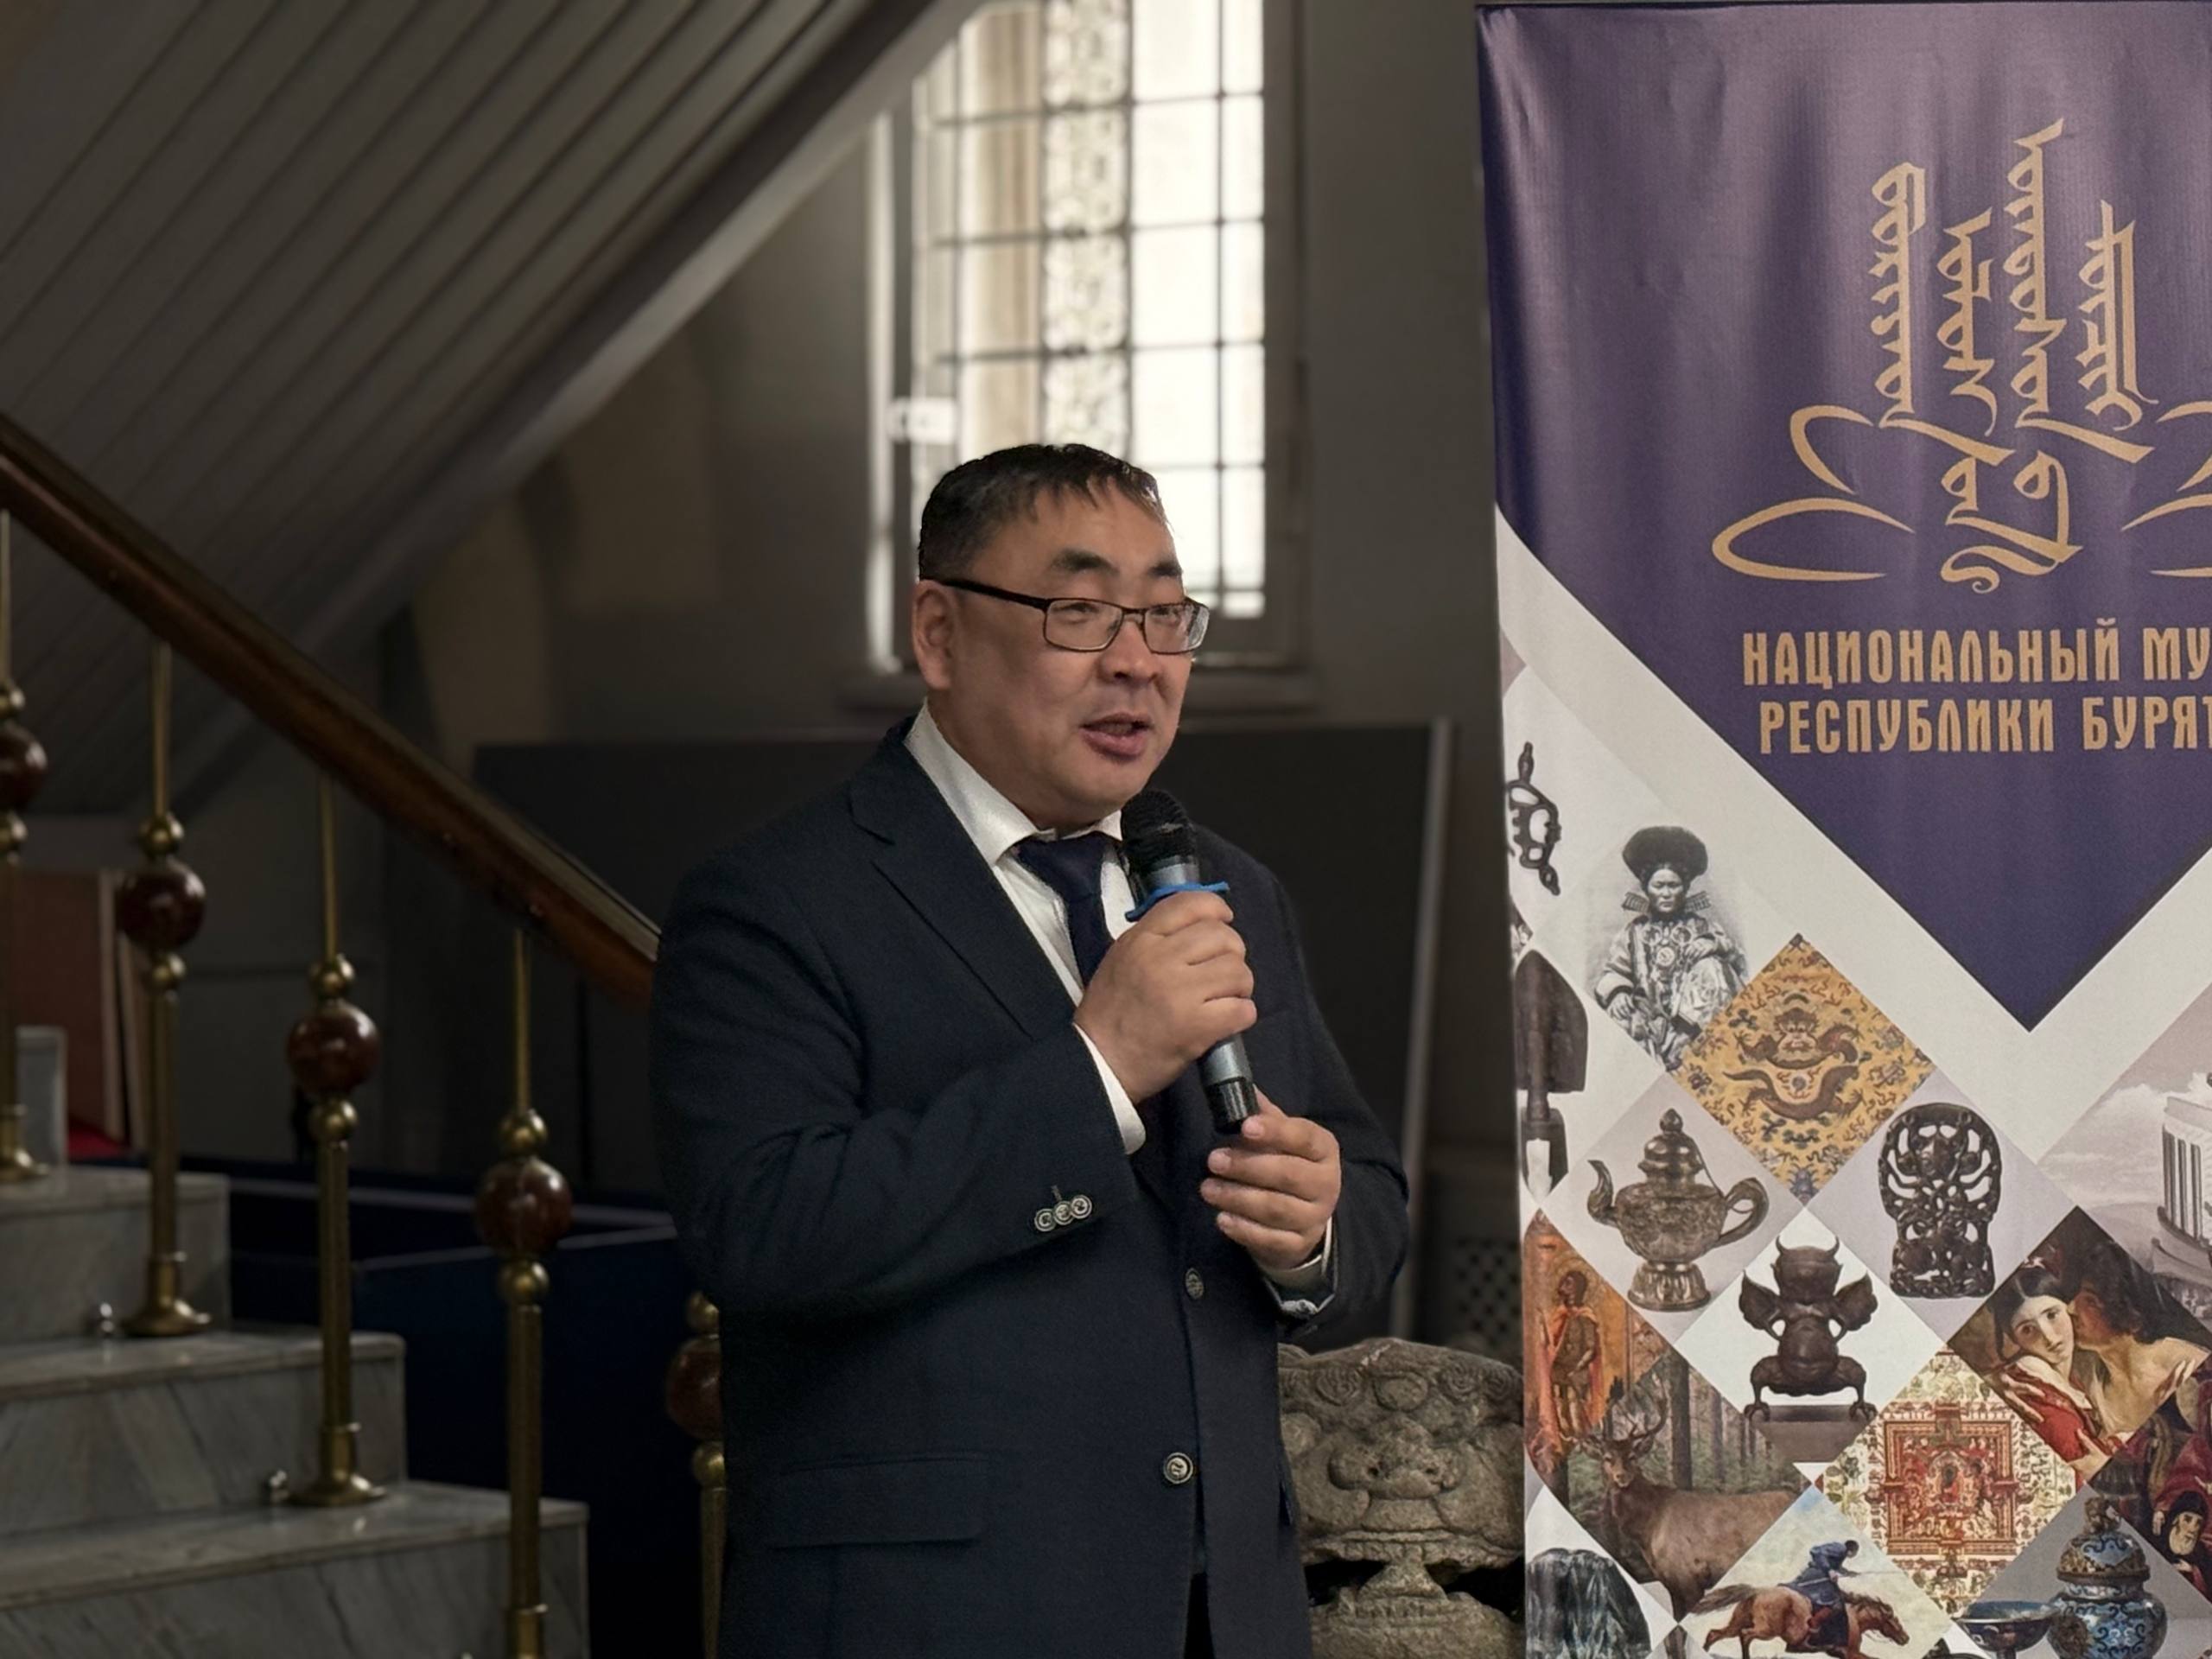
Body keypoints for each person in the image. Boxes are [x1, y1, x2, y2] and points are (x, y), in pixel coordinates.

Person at [650, 444, 1409, 1659]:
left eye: (1165, 615)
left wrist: (1311, 1231)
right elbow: (763, 1227)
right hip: (938, 1617)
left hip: (1224, 1614)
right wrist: (1096, 1069)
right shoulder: (776, 902)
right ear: (939, 633)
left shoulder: (1230, 890)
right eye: (1080, 611)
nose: (1137, 661)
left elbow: (1369, 1190)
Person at [1591, 826, 1745, 1070]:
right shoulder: (1634, 932)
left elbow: (1737, 964)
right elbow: (1614, 971)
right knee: (1620, 1015)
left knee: (1713, 965)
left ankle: (1689, 1051)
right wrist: (1617, 993)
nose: (1666, 894)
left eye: (1673, 886)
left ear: (1685, 888)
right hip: (1649, 1023)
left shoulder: (1702, 927)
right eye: (1659, 886)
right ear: (1646, 889)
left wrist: (1714, 945)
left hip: (1694, 1027)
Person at [1986, 1265, 2118, 1478]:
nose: (2048, 1337)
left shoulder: (2074, 1378)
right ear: (2015, 1340)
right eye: (2027, 1329)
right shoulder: (2029, 1391)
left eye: (2052, 1315)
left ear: (2069, 1308)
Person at [1785, 1539, 1859, 1654]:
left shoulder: (1841, 1554)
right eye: (1855, 1553)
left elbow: (1834, 1566)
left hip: (1819, 1575)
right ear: (1852, 1551)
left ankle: (1820, 1635)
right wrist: (1829, 1571)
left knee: (1835, 1602)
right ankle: (1826, 1638)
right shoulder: (1840, 1548)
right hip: (1817, 1575)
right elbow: (1817, 1552)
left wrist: (1848, 1573)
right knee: (1837, 1603)